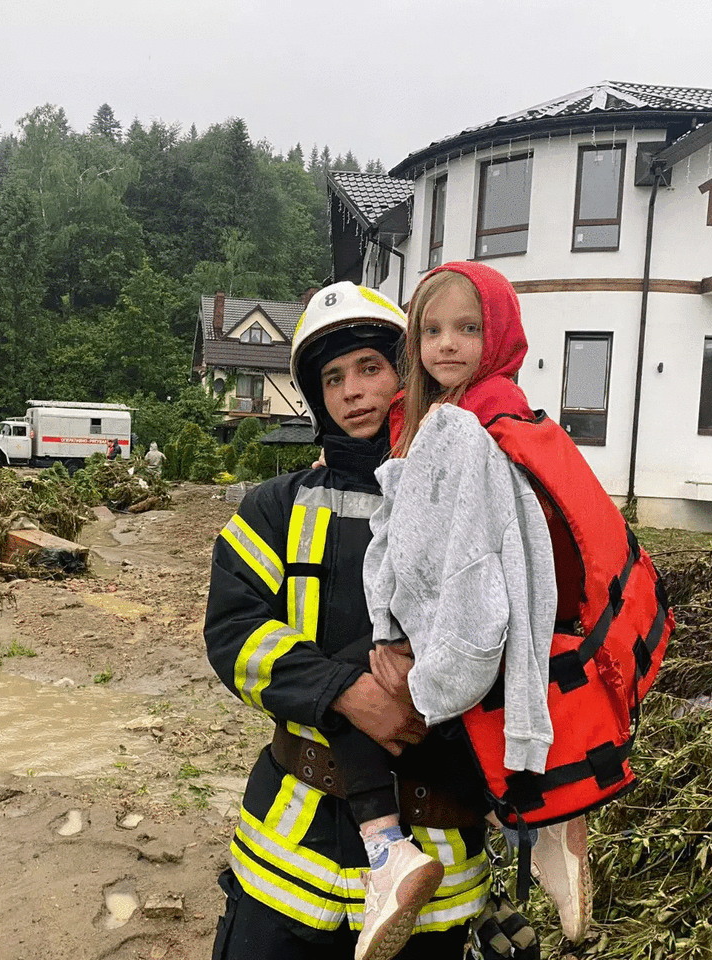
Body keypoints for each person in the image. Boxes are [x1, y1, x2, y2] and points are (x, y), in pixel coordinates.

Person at [204, 282, 491, 960]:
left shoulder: (469, 492)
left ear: (406, 373)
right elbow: (234, 634)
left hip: (437, 864)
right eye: (332, 377)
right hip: (288, 857)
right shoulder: (274, 507)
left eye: (370, 367)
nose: (353, 391)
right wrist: (348, 693)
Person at [328, 260, 558, 960]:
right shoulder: (475, 418)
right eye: (431, 331)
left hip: (456, 637)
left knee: (347, 686)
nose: (447, 344)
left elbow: (447, 552)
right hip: (487, 645)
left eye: (467, 328)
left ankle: (385, 849)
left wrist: (402, 637)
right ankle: (547, 825)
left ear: (499, 336)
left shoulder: (464, 425)